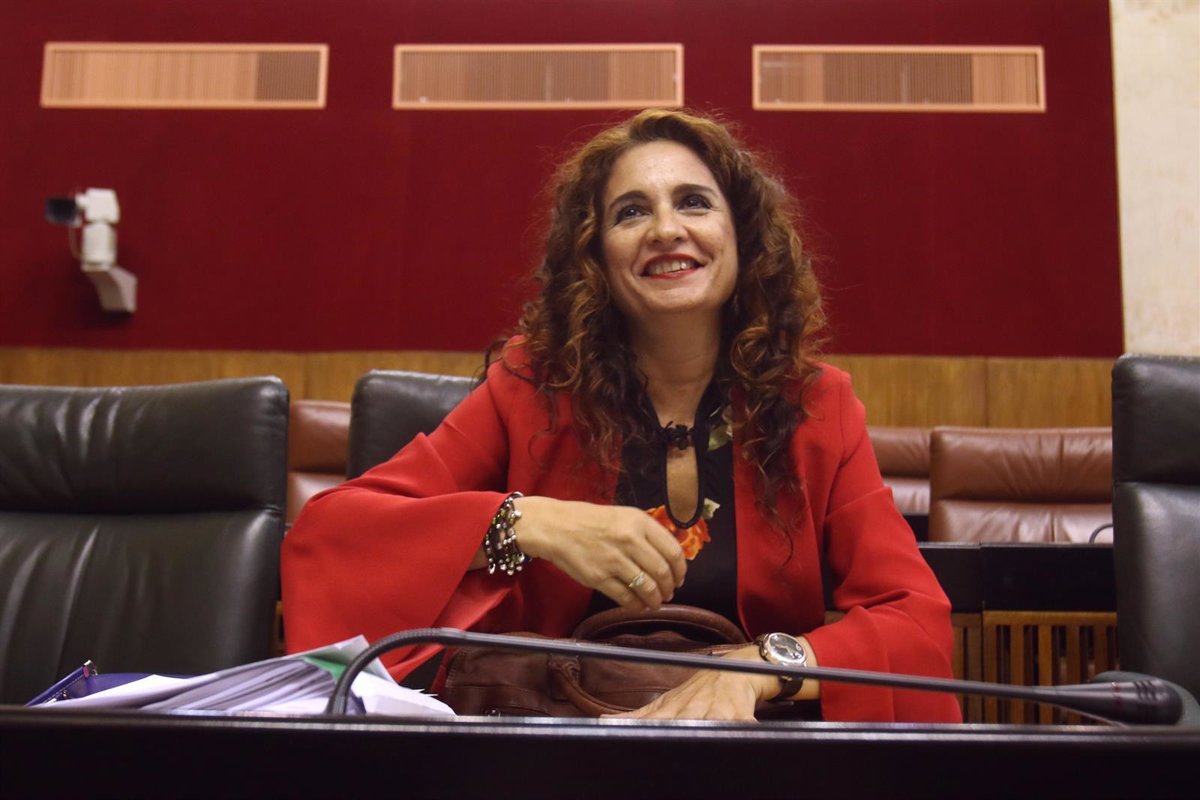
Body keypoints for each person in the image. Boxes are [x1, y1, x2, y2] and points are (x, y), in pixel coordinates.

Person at [282, 108, 961, 723]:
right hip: (557, 746)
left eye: (694, 202)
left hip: (748, 753)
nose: (666, 230)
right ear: (597, 259)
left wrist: (762, 669)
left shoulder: (815, 406)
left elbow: (916, 624)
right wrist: (527, 521)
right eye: (631, 212)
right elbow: (335, 536)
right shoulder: (532, 389)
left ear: (743, 236)